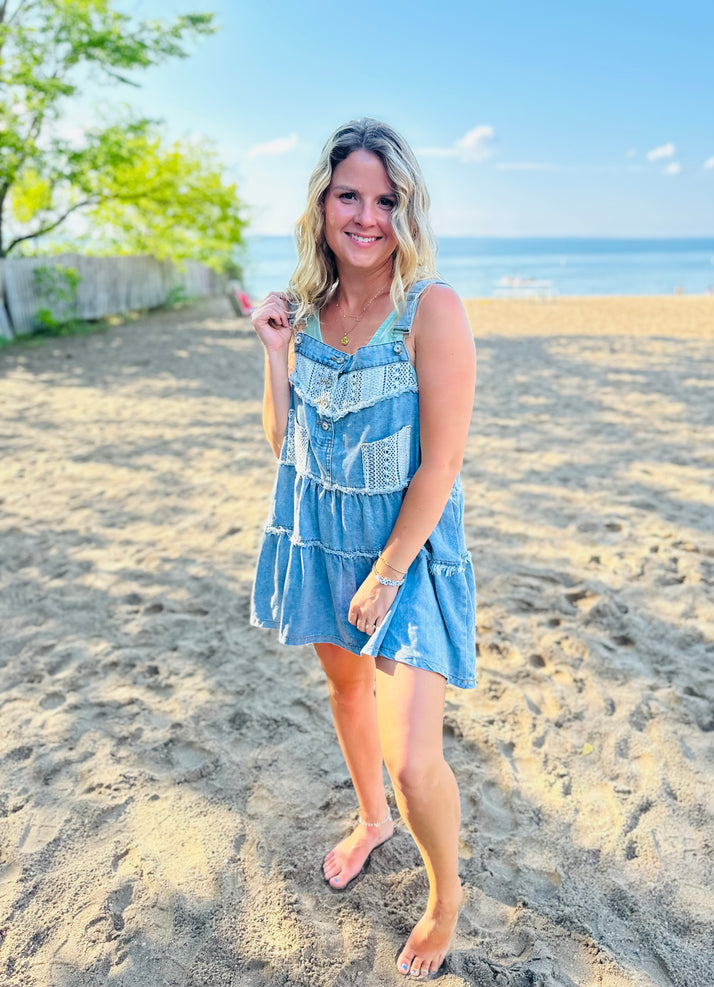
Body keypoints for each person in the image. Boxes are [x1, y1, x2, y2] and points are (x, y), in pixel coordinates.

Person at [249, 117, 476, 980]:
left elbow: (444, 462)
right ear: (324, 203)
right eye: (351, 194)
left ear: (406, 211)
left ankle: (445, 898)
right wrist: (275, 355)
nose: (368, 215)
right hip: (323, 538)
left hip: (403, 554)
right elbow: (286, 447)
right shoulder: (305, 313)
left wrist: (388, 572)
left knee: (417, 759)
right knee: (348, 697)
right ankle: (371, 819)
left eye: (386, 199)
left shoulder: (431, 308)